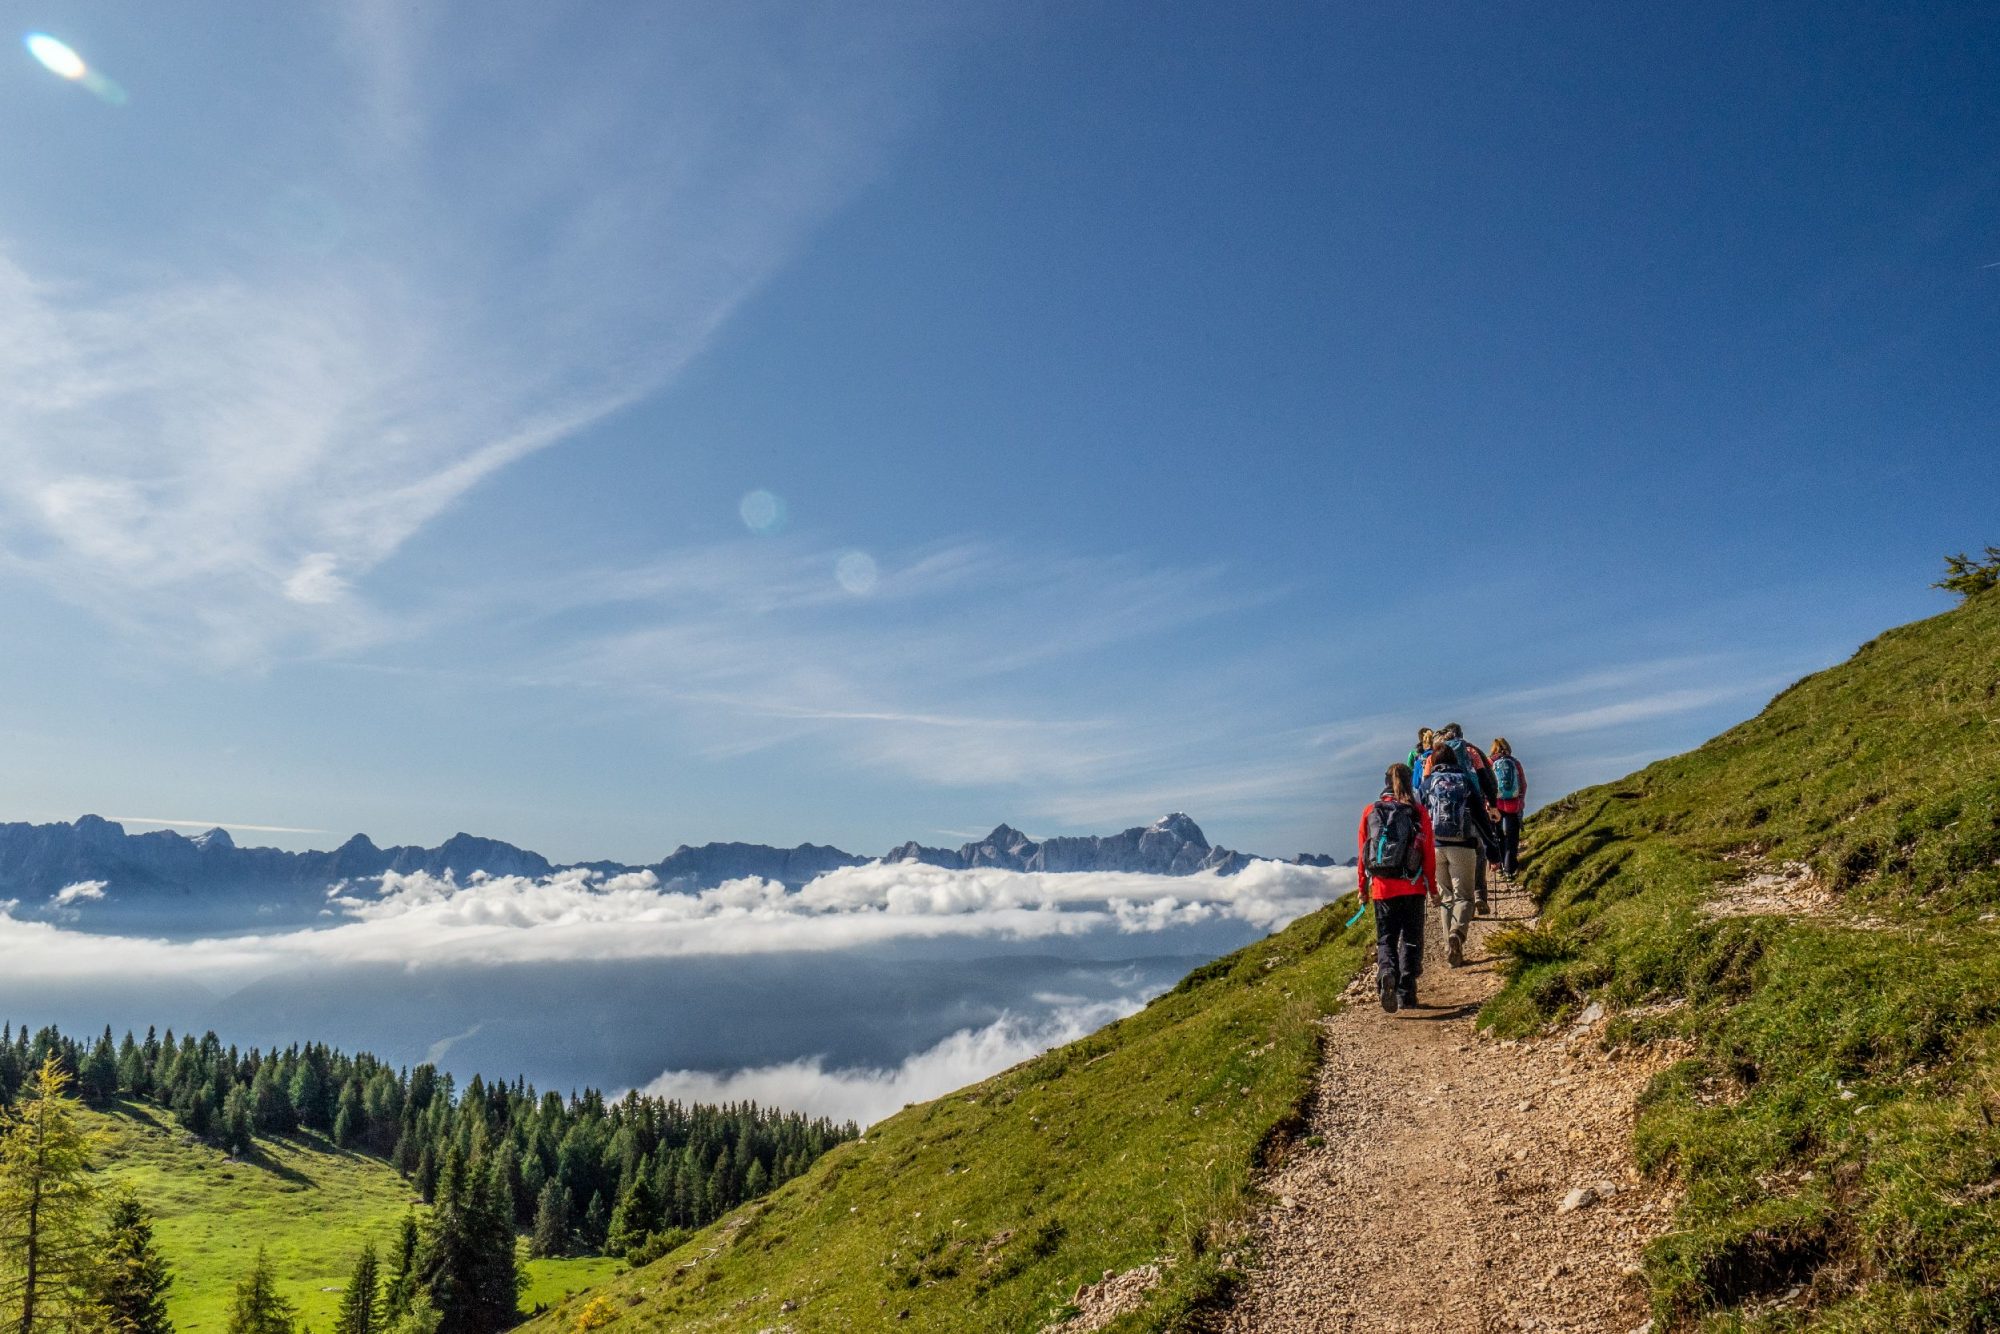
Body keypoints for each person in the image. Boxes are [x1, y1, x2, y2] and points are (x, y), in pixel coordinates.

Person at [1356, 763, 1436, 1012]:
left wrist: (1362, 889)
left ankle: (1387, 971)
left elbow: (1362, 854)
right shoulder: (1417, 811)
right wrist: (1433, 888)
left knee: (1387, 939)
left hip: (1382, 889)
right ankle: (1407, 994)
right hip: (1413, 888)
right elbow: (1429, 854)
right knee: (1411, 940)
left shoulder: (1370, 811)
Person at [1422, 742, 1485, 966]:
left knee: (1446, 897)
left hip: (1436, 847)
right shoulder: (1465, 781)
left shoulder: (1428, 783)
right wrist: (1493, 850)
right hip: (1463, 845)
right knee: (1465, 897)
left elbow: (1420, 814)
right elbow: (1479, 814)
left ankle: (1451, 950)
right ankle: (1457, 934)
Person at [1489, 737, 1527, 877]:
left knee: (1497, 836)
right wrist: (1521, 800)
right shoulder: (1515, 763)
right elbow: (1523, 784)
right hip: (1513, 805)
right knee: (1512, 837)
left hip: (1495, 805)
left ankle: (1498, 864)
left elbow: (1485, 785)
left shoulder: (1489, 762)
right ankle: (1510, 869)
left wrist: (1487, 803)